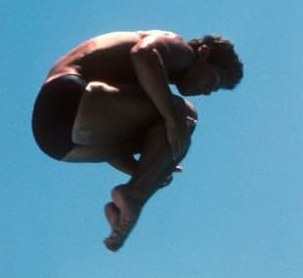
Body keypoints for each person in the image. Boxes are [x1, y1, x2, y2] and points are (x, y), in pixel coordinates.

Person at [31, 29, 242, 251]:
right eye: (213, 80)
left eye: (213, 91)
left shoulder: (137, 87)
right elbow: (142, 53)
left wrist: (147, 169)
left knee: (165, 144)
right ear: (204, 53)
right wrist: (172, 117)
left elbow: (111, 138)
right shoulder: (180, 49)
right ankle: (134, 195)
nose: (207, 92)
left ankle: (131, 198)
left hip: (55, 139)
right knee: (184, 113)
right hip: (66, 96)